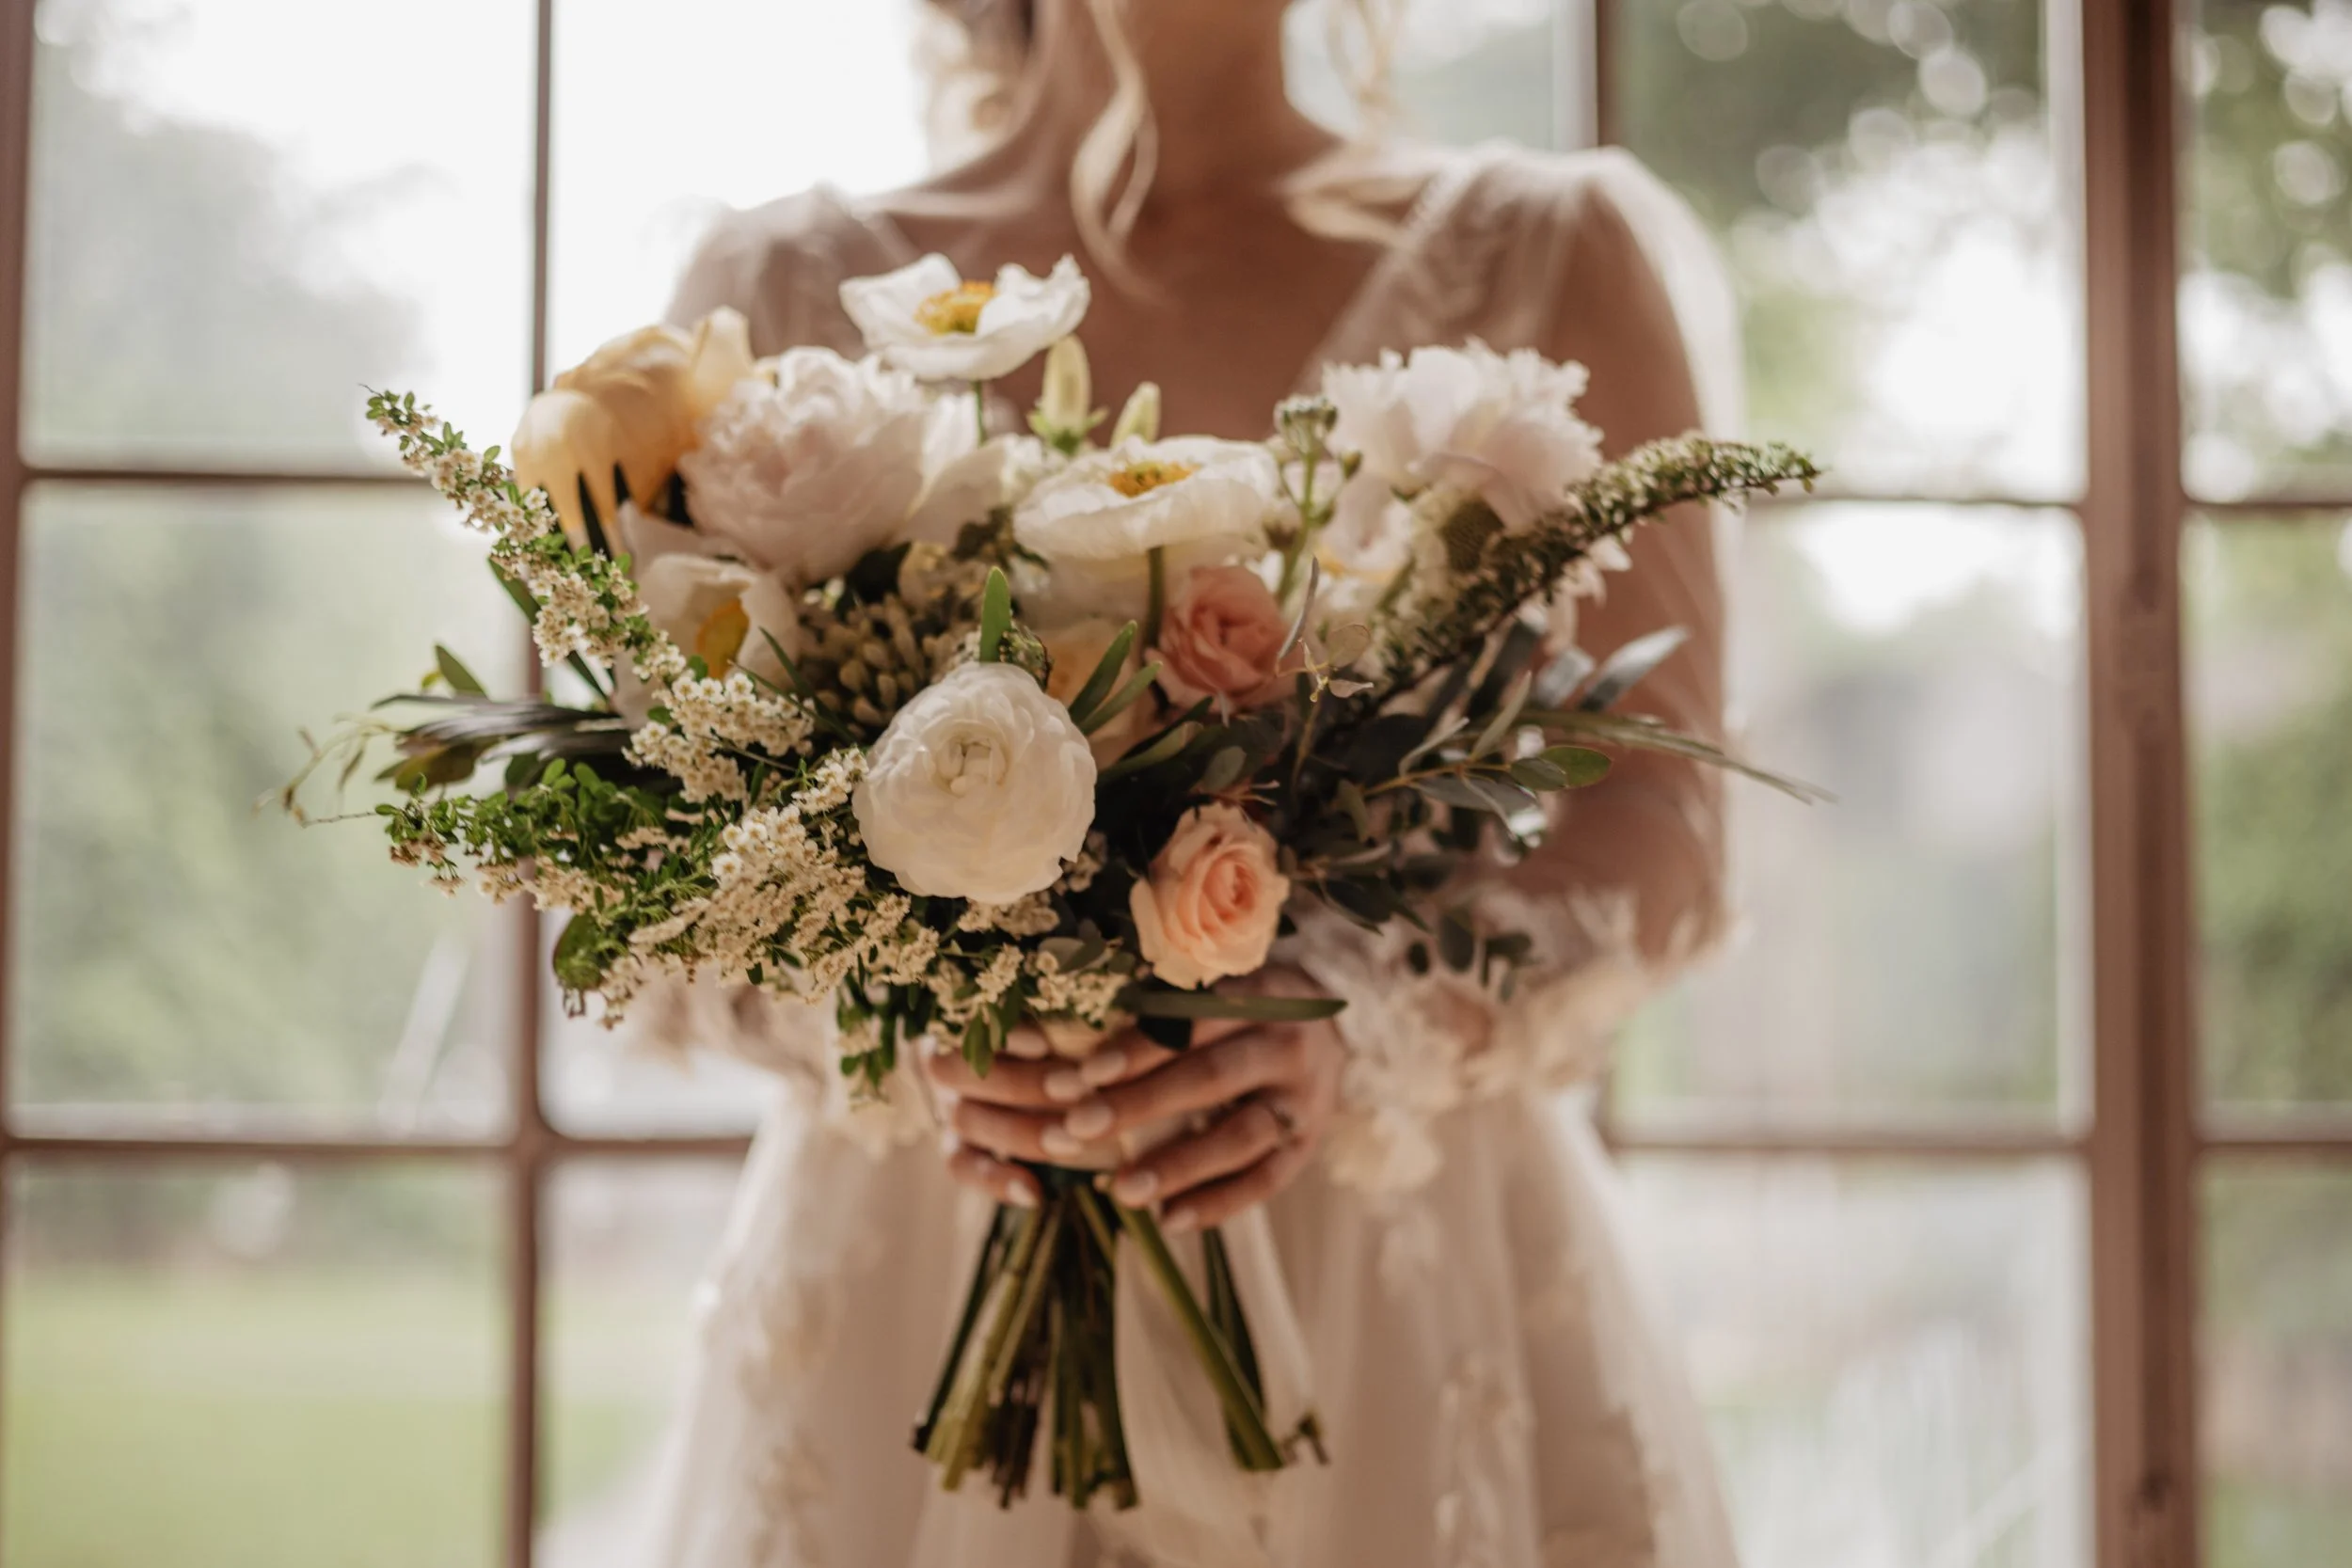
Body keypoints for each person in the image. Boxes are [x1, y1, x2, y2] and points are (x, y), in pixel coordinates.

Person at [632, 1, 1741, 1563]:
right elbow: (666, 845)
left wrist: (1356, 1013)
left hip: (1394, 1279)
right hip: (918, 1277)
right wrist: (898, 1023)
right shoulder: (773, 303)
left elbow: (1663, 815)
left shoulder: (1556, 257)